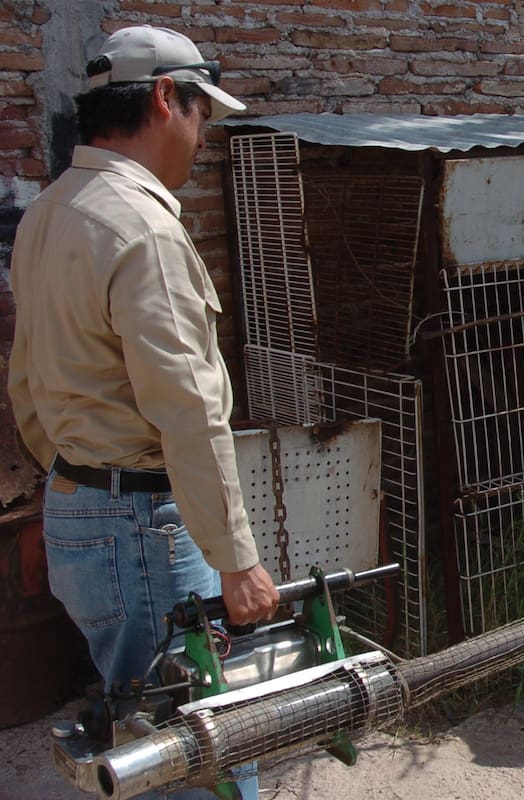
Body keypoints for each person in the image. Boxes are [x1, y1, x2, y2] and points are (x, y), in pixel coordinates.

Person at [7, 24, 279, 798]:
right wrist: (237, 558)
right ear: (166, 98)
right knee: (201, 747)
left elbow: (26, 383)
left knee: (140, 733)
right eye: (201, 113)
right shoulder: (143, 229)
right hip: (144, 524)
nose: (201, 136)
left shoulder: (51, 211)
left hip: (80, 514)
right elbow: (187, 408)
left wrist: (70, 480)